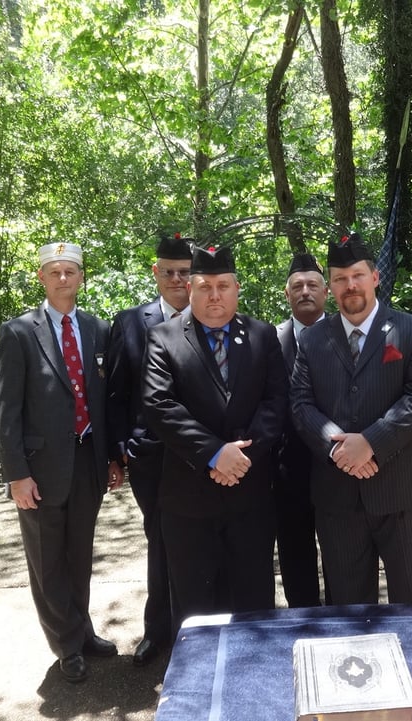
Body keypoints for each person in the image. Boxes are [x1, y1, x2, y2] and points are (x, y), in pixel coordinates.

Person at [0, 242, 124, 683]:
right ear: (42, 277)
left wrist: (111, 458)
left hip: (88, 462)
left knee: (79, 555)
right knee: (49, 562)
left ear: (81, 277)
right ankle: (66, 645)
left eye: (71, 271)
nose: (63, 278)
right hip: (40, 469)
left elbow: (103, 401)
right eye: (55, 272)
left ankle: (82, 631)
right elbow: (5, 410)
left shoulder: (97, 328)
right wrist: (17, 475)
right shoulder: (18, 333)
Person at [291, 233, 412, 606]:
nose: (350, 285)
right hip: (338, 498)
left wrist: (370, 442)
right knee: (347, 608)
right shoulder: (312, 340)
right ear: (331, 286)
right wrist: (339, 447)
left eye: (357, 275)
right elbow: (300, 404)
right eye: (340, 278)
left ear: (375, 277)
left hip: (403, 493)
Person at [142, 244, 287, 624]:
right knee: (194, 609)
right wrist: (213, 453)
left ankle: (255, 678)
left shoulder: (261, 334)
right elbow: (158, 405)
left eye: (223, 285)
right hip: (188, 502)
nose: (215, 295)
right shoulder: (163, 338)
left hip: (250, 496)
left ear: (237, 288)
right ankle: (197, 684)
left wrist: (240, 460)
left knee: (253, 602)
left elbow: (275, 403)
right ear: (190, 290)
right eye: (205, 286)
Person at [106, 231, 192, 666]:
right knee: (159, 537)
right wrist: (118, 450)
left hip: (198, 456)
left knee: (193, 539)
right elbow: (116, 393)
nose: (178, 279)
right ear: (156, 274)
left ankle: (193, 625)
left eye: (185, 272)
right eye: (170, 272)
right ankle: (158, 630)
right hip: (150, 456)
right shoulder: (129, 322)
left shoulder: (211, 317)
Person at [274, 253, 329, 607]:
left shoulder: (347, 335)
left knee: (344, 558)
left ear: (326, 291)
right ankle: (304, 622)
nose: (305, 291)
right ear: (287, 293)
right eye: (297, 286)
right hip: (286, 473)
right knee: (295, 559)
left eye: (312, 285)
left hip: (337, 469)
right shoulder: (266, 339)